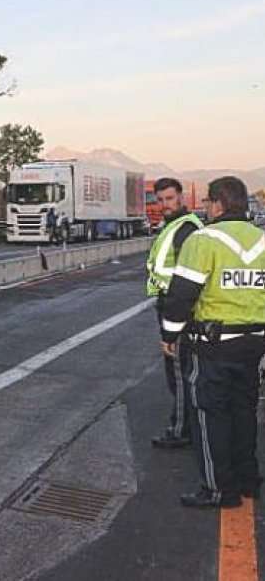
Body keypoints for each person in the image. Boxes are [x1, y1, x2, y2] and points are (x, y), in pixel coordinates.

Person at [161, 176, 265, 508]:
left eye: (207, 202)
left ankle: (219, 489)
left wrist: (170, 335)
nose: (205, 207)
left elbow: (181, 296)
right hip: (255, 344)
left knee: (210, 414)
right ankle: (249, 479)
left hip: (214, 344)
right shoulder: (262, 240)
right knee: (245, 410)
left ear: (218, 203)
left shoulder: (204, 240)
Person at [146, 178, 203, 448]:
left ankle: (182, 430)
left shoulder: (186, 228)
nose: (165, 204)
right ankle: (186, 424)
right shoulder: (173, 226)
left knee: (179, 373)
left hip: (178, 309)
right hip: (171, 305)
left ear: (181, 198)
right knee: (178, 372)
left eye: (169, 199)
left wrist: (175, 320)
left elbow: (186, 277)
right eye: (160, 200)